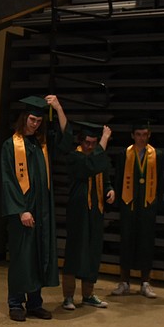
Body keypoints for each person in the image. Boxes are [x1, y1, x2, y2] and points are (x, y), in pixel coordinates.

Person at [1, 94, 72, 322]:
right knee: (22, 257)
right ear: (23, 118)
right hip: (22, 211)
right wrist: (21, 210)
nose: (35, 124)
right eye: (32, 119)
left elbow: (66, 141)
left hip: (42, 210)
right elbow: (8, 180)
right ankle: (15, 303)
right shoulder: (11, 145)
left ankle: (34, 303)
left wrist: (59, 108)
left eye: (39, 121)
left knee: (39, 254)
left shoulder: (42, 144)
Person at [61, 122, 115, 310]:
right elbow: (90, 167)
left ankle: (88, 294)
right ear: (80, 141)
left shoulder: (98, 157)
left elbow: (104, 176)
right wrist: (104, 140)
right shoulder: (75, 157)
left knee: (93, 251)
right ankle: (68, 296)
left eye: (94, 143)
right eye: (88, 143)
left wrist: (109, 190)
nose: (91, 146)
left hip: (96, 210)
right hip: (78, 210)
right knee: (75, 251)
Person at [110, 120, 162, 298]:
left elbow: (161, 181)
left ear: (149, 135)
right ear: (132, 136)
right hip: (128, 203)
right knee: (126, 241)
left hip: (148, 204)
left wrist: (156, 204)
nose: (141, 138)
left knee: (146, 242)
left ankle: (145, 283)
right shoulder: (124, 154)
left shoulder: (157, 155)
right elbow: (118, 178)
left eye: (145, 134)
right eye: (138, 134)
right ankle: (124, 282)